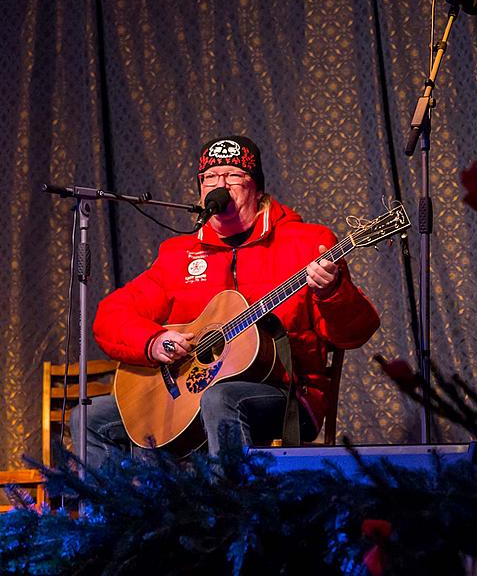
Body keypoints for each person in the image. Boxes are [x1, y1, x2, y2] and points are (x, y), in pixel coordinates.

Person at [72, 135, 380, 468]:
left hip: (286, 393)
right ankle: (122, 516)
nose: (220, 186)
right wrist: (153, 342)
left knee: (219, 398)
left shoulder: (308, 242)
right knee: (88, 418)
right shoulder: (178, 255)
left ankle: (231, 514)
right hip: (191, 395)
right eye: (210, 178)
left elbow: (356, 331)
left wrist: (332, 291)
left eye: (233, 176)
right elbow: (111, 315)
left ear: (257, 189)